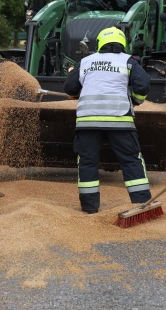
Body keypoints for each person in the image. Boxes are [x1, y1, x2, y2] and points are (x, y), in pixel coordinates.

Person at [63, 27, 152, 214]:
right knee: (131, 161)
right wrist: (136, 99)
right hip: (119, 120)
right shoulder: (128, 61)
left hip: (88, 122)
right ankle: (141, 204)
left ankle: (89, 208)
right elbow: (142, 84)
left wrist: (80, 91)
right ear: (123, 43)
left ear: (100, 43)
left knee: (87, 162)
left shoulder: (86, 61)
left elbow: (70, 87)